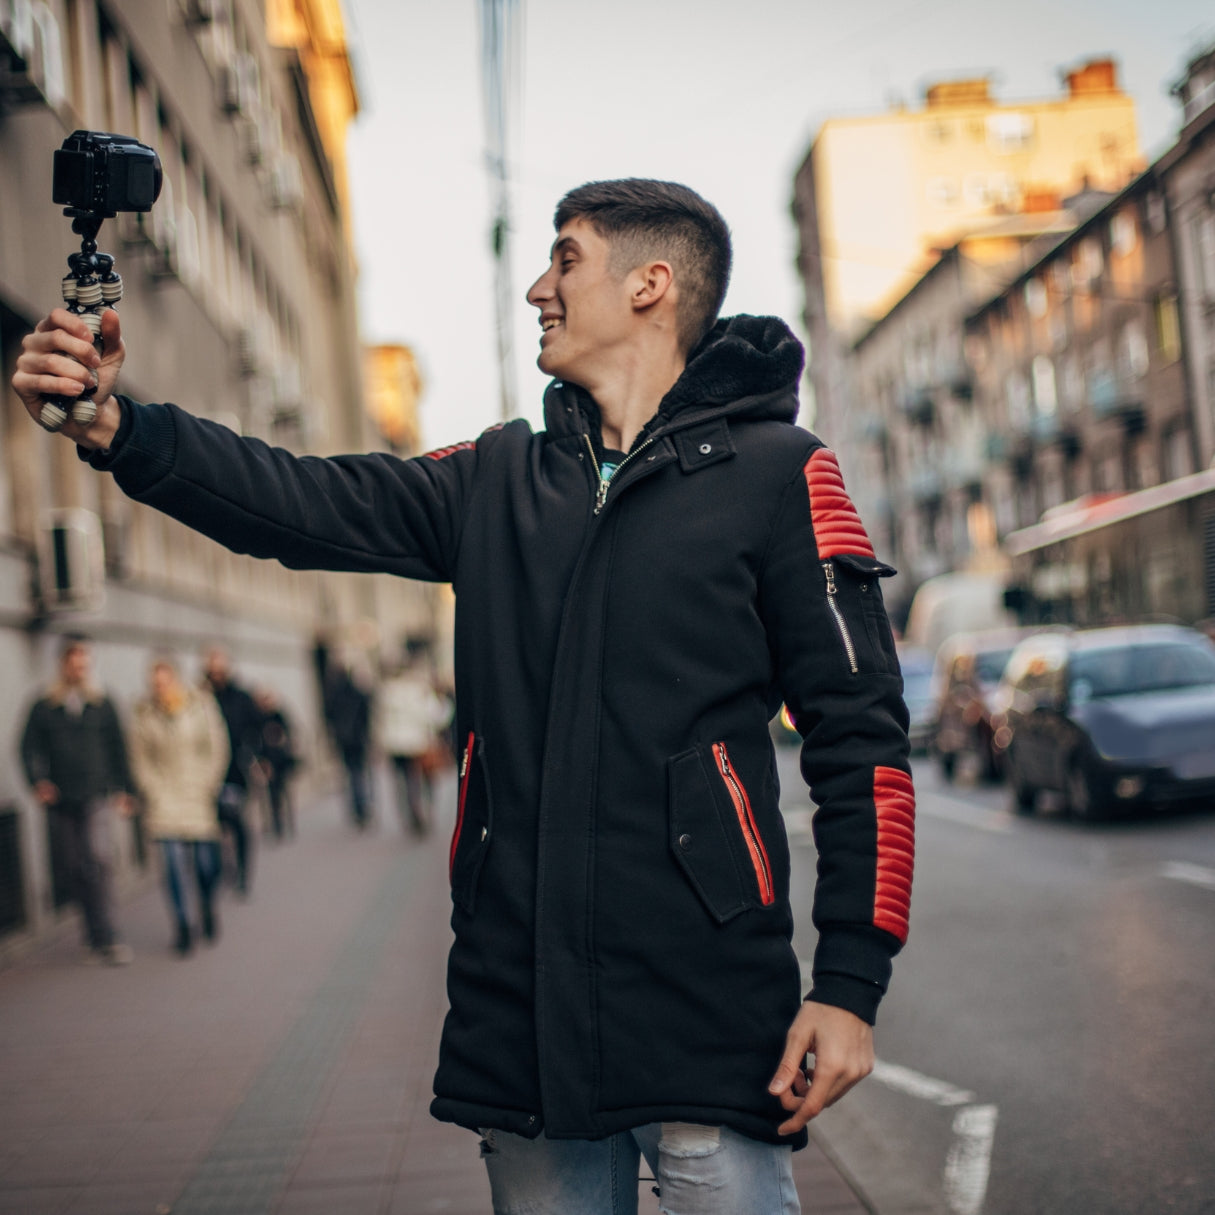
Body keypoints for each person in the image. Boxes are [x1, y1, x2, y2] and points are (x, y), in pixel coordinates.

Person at [14, 178, 915, 1213]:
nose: (537, 287)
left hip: (710, 1017)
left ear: (650, 286)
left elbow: (863, 746)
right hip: (520, 1019)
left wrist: (849, 988)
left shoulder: (782, 475)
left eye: (565, 259)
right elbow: (297, 502)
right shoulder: (494, 480)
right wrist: (118, 427)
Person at [19, 637, 135, 965]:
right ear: (64, 665)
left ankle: (110, 934)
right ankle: (92, 932)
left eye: (85, 663)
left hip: (96, 794)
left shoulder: (102, 702)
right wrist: (38, 781)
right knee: (73, 867)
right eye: (74, 663)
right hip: (62, 799)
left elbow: (119, 747)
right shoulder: (44, 704)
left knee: (98, 859)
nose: (79, 669)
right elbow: (27, 747)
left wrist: (126, 790)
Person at [129, 657, 229, 954]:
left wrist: (209, 782)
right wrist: (152, 789)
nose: (160, 688)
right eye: (155, 683)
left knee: (205, 864)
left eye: (164, 681)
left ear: (176, 679)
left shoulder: (200, 705)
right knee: (171, 864)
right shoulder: (143, 713)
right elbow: (140, 757)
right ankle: (183, 925)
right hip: (164, 798)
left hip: (197, 793)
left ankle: (208, 904)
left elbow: (216, 746)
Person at [201, 646, 261, 894]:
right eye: (212, 669)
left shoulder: (241, 698)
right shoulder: (200, 698)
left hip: (236, 772)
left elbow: (255, 730)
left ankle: (243, 875)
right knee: (214, 827)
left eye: (220, 669)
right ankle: (222, 869)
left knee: (237, 824)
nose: (217, 674)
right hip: (207, 775)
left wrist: (256, 759)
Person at [378, 644, 451, 836]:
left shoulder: (387, 691)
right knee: (422, 778)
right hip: (417, 742)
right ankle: (422, 809)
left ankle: (409, 811)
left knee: (402, 780)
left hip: (394, 743)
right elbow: (438, 715)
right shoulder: (419, 690)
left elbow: (380, 719)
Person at [321, 653, 375, 829]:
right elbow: (366, 714)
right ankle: (363, 805)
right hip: (357, 739)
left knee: (352, 774)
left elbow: (328, 717)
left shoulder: (333, 695)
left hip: (344, 740)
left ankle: (357, 807)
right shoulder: (357, 693)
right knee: (359, 773)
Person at [253, 687, 298, 840]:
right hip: (268, 762)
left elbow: (288, 736)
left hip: (281, 761)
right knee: (272, 796)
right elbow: (257, 742)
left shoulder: (279, 716)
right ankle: (276, 824)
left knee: (283, 793)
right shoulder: (258, 718)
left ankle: (287, 822)